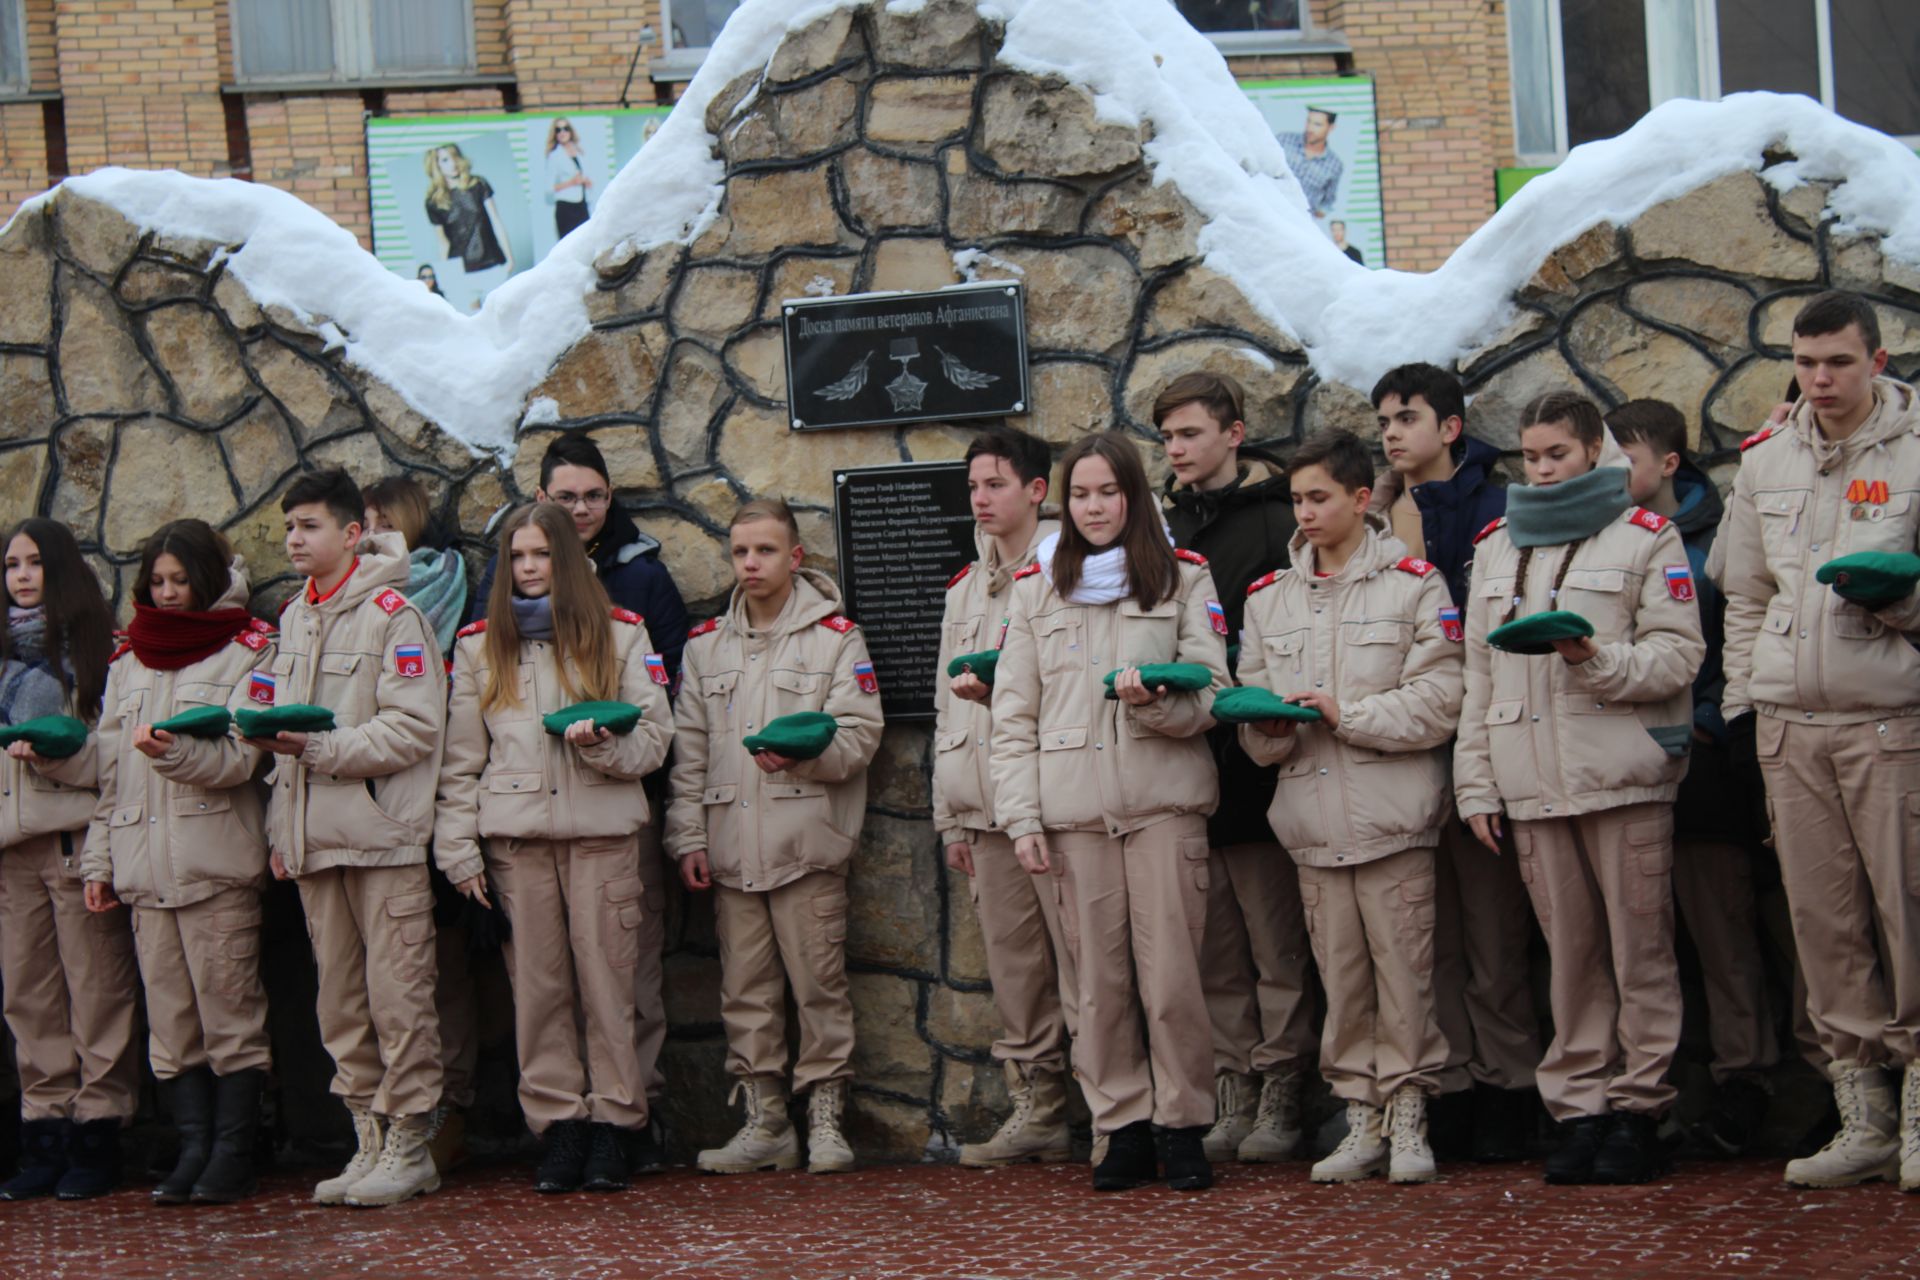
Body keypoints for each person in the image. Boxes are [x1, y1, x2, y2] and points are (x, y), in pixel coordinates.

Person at [1455, 391, 1703, 1185]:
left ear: (1595, 450)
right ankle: (1582, 1109)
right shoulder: (1497, 545)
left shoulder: (1645, 535)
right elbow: (1478, 677)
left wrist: (1591, 658)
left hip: (1622, 777)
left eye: (1558, 453)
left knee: (1640, 953)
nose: (1543, 469)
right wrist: (1477, 786)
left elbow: (1679, 655)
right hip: (1530, 784)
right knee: (1570, 959)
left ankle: (1640, 1109)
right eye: (1531, 456)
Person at [1715, 291, 1920, 1192]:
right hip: (1791, 728)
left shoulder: (1918, 453)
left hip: (1891, 721)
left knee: (1907, 913)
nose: (1821, 380)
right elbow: (1747, 596)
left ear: (1877, 361)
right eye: (1805, 363)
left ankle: (1918, 1112)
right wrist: (1740, 710)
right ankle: (1863, 1115)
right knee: (1822, 924)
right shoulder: (1767, 459)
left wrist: (1903, 603)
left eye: (1838, 361)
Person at [993, 431, 1230, 1193]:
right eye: (1083, 495)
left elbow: (1215, 691)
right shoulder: (1035, 590)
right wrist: (1023, 819)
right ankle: (1120, 1126)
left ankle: (1184, 1124)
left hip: (1163, 807)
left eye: (1109, 492)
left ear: (1134, 495)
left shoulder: (1183, 577)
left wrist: (1157, 706)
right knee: (1096, 985)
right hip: (1072, 817)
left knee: (1173, 981)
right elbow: (1012, 718)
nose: (1095, 508)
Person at [1237, 429, 1463, 1184]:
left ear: (1362, 500)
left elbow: (1440, 699)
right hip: (1311, 822)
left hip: (1393, 819)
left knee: (1407, 977)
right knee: (1342, 980)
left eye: (1318, 497)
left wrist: (1346, 714)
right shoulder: (1269, 599)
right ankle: (1359, 1117)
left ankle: (1409, 1117)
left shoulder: (1415, 585)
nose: (1303, 512)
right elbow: (1251, 715)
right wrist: (1268, 728)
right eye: (1296, 499)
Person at [438, 503, 672, 1194]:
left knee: (610, 987)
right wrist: (458, 849)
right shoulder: (481, 646)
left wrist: (604, 747)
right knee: (537, 992)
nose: (530, 568)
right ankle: (561, 1125)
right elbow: (459, 762)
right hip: (517, 843)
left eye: (542, 555)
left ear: (567, 559)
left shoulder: (623, 634)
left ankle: (615, 1125)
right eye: (518, 557)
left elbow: (656, 739)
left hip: (602, 837)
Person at [247, 468, 461, 1207]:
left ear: (350, 534)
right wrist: (283, 824)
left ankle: (412, 1144)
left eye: (308, 526)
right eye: (288, 528)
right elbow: (271, 721)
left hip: (380, 838)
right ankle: (368, 1139)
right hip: (312, 841)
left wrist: (316, 749)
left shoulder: (395, 616)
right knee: (339, 1003)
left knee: (398, 997)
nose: (294, 540)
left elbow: (414, 728)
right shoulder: (294, 617)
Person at [666, 498, 882, 1175]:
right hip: (731, 848)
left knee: (819, 986)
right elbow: (690, 752)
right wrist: (687, 838)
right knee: (746, 991)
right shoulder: (705, 647)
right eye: (740, 552)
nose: (750, 564)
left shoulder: (836, 638)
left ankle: (824, 1118)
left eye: (765, 551)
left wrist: (804, 756)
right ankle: (765, 1123)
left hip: (805, 844)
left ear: (795, 558)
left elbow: (860, 733)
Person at [1369, 362, 1541, 1161]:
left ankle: (1510, 1085)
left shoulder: (1498, 511)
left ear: (1450, 428)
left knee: (1494, 935)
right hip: (1398, 750)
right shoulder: (1375, 520)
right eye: (1382, 423)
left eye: (1406, 418)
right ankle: (1452, 1091)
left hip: (1484, 745)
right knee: (1423, 938)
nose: (1392, 434)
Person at [79, 519, 275, 1204]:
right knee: (171, 1025)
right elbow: (109, 774)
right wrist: (98, 862)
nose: (167, 594)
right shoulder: (128, 658)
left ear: (207, 579)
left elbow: (244, 757)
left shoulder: (247, 650)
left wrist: (173, 753)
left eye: (179, 580)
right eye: (156, 582)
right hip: (142, 869)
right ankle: (191, 1150)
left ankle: (233, 1152)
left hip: (214, 862)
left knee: (230, 1017)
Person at [1606, 399, 1776, 1155]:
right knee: (1641, 943)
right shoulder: (1600, 539)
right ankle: (1658, 1091)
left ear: (1669, 465)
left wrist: (1705, 722)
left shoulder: (1713, 543)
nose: (1615, 476)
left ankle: (1747, 1082)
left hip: (1701, 769)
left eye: (1628, 462)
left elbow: (1735, 632)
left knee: (1721, 930)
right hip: (1619, 766)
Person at [1154, 372, 1315, 1164]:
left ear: (1234, 433)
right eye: (1167, 438)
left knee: (1274, 940)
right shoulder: (1154, 528)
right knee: (1213, 945)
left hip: (1260, 760)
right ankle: (1233, 1078)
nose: (1176, 450)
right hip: (1185, 758)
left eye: (1188, 433)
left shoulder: (1281, 519)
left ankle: (1283, 1082)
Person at [934, 427, 1077, 1168]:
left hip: (1055, 802)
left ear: (1035, 491)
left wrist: (1009, 694)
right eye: (972, 487)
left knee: (1085, 964)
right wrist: (949, 815)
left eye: (994, 484)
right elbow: (944, 709)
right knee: (1017, 969)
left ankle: (1113, 1101)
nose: (980, 499)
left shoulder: (1069, 574)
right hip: (984, 808)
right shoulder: (964, 589)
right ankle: (1039, 1105)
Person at [0, 519, 137, 1201]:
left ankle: (99, 1131)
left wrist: (59, 756)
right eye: (11, 565)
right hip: (11, 851)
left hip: (75, 842)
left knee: (96, 992)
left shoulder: (100, 654)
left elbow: (116, 762)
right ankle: (43, 1131)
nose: (22, 576)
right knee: (28, 998)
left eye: (35, 563)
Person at [362, 474, 478, 1172]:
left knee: (445, 964)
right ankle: (389, 1112)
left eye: (384, 519)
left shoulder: (451, 587)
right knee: (383, 973)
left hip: (441, 787)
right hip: (370, 797)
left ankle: (449, 1107)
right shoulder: (344, 603)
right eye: (363, 521)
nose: (372, 532)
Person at [364, 477, 467, 657]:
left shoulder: (444, 580)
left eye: (386, 526)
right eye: (364, 527)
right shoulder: (340, 585)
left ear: (411, 526)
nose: (371, 536)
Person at [423, 143, 513, 300]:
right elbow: (443, 243)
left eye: (454, 157)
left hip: (492, 265)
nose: (452, 163)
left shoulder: (478, 185)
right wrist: (445, 276)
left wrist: (509, 258)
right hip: (460, 272)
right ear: (436, 165)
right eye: (445, 160)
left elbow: (496, 222)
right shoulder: (434, 202)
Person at [1277, 107, 1343, 222]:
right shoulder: (1283, 140)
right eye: (1309, 121)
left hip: (1300, 223)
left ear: (1331, 128)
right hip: (1270, 213)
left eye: (1317, 124)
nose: (1310, 128)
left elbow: (1328, 201)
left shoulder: (1334, 165)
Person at [544, 118, 594, 239]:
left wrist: (586, 182)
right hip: (566, 207)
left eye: (565, 129)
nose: (562, 132)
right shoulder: (554, 156)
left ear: (570, 131)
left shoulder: (579, 152)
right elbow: (548, 188)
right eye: (558, 130)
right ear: (555, 134)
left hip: (582, 204)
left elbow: (585, 175)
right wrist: (571, 182)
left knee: (586, 242)